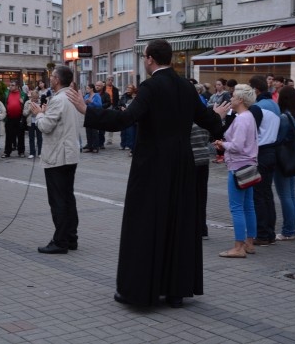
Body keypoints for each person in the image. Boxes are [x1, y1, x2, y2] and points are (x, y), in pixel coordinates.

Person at [66, 39, 227, 309]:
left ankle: (140, 291)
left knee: (145, 224)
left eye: (144, 58)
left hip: (153, 165)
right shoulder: (186, 88)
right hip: (182, 164)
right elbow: (209, 122)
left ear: (150, 58)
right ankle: (177, 290)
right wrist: (218, 115)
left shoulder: (151, 86)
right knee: (179, 222)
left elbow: (124, 120)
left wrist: (87, 110)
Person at [29, 66, 82, 254]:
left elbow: (45, 126)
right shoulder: (73, 96)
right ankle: (70, 237)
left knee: (58, 200)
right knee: (68, 197)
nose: (50, 79)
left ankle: (60, 241)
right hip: (70, 153)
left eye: (51, 77)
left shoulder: (58, 99)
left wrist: (39, 114)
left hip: (58, 155)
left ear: (57, 80)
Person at [213, 84, 258, 258]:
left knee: (237, 208)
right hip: (249, 165)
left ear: (240, 99)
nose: (230, 99)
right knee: (248, 206)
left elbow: (237, 146)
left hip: (238, 166)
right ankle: (249, 242)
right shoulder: (249, 116)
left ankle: (238, 247)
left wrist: (222, 144)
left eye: (232, 97)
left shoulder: (241, 119)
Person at [248, 75, 280, 246]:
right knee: (267, 194)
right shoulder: (274, 105)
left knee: (258, 196)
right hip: (272, 151)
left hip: (260, 152)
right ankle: (270, 232)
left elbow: (250, 132)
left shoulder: (257, 107)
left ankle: (262, 233)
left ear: (255, 90)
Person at [274, 86, 295, 241]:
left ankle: (288, 230)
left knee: (285, 194)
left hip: (283, 159)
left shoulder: (284, 117)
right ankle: (291, 228)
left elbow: (278, 139)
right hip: (294, 158)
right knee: (291, 194)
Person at [191, 121, 212, 240]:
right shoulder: (204, 123)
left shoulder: (187, 122)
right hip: (204, 158)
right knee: (202, 196)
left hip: (193, 159)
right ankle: (202, 229)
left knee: (190, 195)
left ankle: (193, 227)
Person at [3, 80, 27, 158]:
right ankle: (7, 152)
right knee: (9, 136)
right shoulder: (7, 93)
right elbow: (4, 104)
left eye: (12, 85)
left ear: (17, 86)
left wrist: (23, 102)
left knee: (20, 136)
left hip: (19, 118)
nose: (10, 86)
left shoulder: (22, 94)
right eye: (10, 85)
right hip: (9, 118)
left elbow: (27, 105)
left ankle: (21, 152)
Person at [82, 84, 102, 153]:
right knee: (88, 131)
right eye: (86, 88)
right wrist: (85, 102)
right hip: (88, 114)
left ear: (91, 89)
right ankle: (89, 146)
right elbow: (83, 104)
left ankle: (96, 147)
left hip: (95, 114)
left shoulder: (96, 95)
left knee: (94, 131)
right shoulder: (86, 96)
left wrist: (91, 102)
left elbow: (99, 105)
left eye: (88, 88)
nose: (86, 89)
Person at [23, 90, 43, 159]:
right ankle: (32, 153)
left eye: (36, 98)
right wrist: (29, 109)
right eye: (33, 98)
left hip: (38, 121)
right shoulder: (27, 103)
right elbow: (24, 113)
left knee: (39, 137)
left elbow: (43, 112)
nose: (35, 99)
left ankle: (40, 153)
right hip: (30, 122)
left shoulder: (40, 103)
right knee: (31, 138)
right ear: (31, 97)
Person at [118, 85, 137, 153]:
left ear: (133, 90)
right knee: (123, 131)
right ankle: (123, 144)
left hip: (131, 116)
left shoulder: (135, 97)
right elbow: (119, 104)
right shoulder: (123, 96)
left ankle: (129, 145)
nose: (128, 89)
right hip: (124, 115)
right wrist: (121, 108)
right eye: (127, 88)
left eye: (130, 88)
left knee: (130, 132)